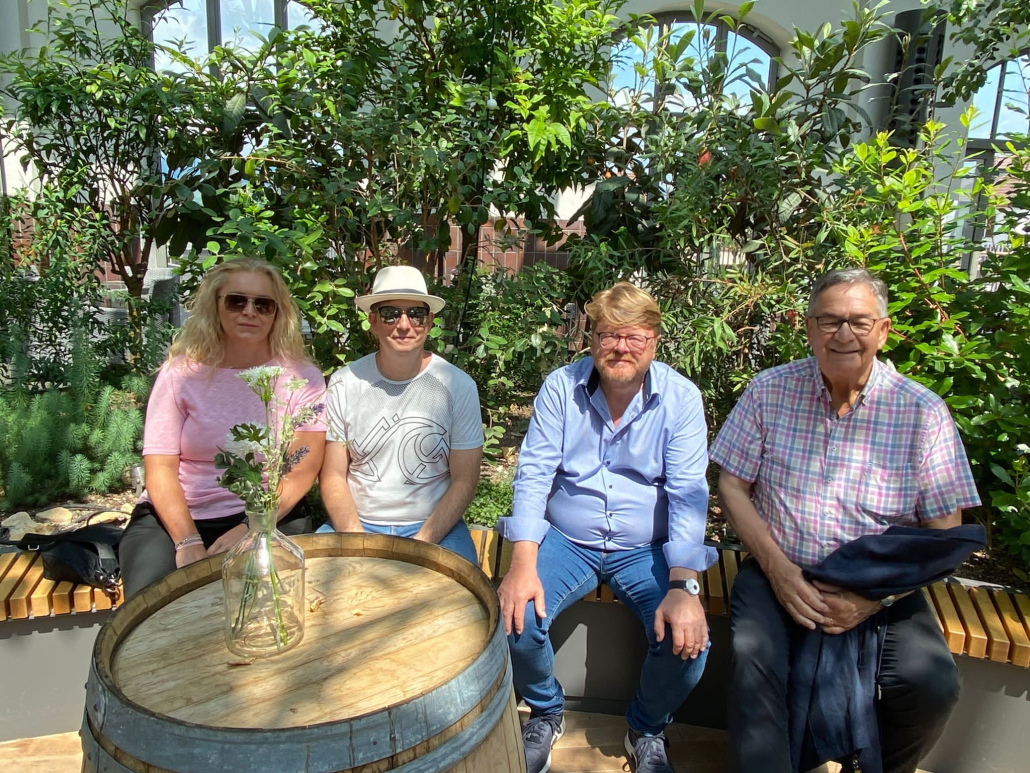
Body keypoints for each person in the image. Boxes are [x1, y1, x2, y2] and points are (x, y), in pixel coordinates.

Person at [709, 268, 981, 773]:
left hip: (881, 584)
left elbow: (944, 535)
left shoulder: (923, 412)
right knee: (754, 662)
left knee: (931, 685)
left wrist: (873, 599)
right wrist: (778, 570)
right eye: (830, 320)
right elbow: (732, 485)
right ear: (809, 329)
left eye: (859, 321)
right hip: (778, 568)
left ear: (883, 330)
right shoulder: (769, 390)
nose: (844, 334)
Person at [497, 282, 715, 773]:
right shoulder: (561, 387)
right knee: (516, 618)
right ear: (591, 339)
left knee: (688, 641)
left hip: (646, 547)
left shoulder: (680, 398)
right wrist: (523, 565)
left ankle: (645, 727)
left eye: (634, 337)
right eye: (608, 335)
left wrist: (684, 585)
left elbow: (687, 493)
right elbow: (534, 473)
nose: (620, 347)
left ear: (654, 341)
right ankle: (546, 712)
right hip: (567, 540)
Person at [120, 258, 327, 598]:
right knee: (151, 605)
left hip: (269, 513)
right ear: (215, 305)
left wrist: (251, 527)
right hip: (177, 517)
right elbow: (160, 467)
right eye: (236, 301)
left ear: (278, 313)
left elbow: (302, 467)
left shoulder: (302, 378)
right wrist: (187, 541)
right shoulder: (180, 374)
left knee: (274, 602)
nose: (250, 312)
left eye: (263, 304)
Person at [319, 265, 483, 564]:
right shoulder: (344, 382)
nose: (404, 325)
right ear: (373, 321)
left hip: (434, 527)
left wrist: (421, 545)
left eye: (416, 314)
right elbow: (333, 474)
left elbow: (465, 480)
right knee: (304, 583)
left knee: (465, 593)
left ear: (429, 321)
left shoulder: (458, 386)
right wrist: (356, 540)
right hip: (357, 523)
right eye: (390, 314)